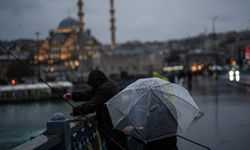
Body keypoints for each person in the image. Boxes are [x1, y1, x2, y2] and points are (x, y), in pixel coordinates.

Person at [63, 69, 128, 150]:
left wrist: (75, 110)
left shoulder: (106, 88)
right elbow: (90, 94)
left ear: (96, 81)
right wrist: (73, 96)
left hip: (113, 128)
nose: (92, 87)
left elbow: (92, 105)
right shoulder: (106, 84)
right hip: (116, 125)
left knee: (116, 147)